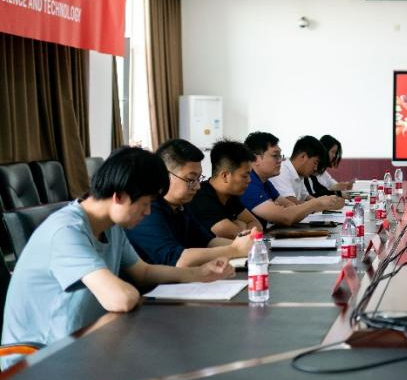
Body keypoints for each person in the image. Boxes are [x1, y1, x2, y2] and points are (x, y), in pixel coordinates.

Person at [1, 147, 234, 361]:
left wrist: (199, 273)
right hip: (37, 359)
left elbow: (143, 271)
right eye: (145, 203)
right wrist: (132, 292)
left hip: (84, 343)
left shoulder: (111, 226)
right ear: (119, 196)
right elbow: (120, 299)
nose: (148, 212)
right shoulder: (66, 231)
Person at [126, 139, 256, 267]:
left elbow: (208, 242)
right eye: (191, 179)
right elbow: (177, 259)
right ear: (164, 175)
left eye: (199, 179)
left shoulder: (181, 206)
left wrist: (249, 245)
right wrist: (235, 250)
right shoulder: (147, 210)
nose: (198, 186)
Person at [241, 132, 343, 228]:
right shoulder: (249, 184)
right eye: (275, 156)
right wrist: (317, 203)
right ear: (255, 159)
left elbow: (290, 206)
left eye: (280, 156)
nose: (280, 160)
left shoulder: (265, 182)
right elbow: (286, 217)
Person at [191, 140, 263, 238]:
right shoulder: (201, 198)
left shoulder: (230, 195)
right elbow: (235, 236)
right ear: (225, 176)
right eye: (245, 176)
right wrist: (241, 225)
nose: (249, 180)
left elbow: (256, 224)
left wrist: (240, 226)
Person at [271, 135, 339, 201]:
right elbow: (292, 204)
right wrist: (322, 204)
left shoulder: (299, 174)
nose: (315, 168)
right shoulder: (282, 171)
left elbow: (306, 197)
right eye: (315, 163)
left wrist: (325, 203)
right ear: (303, 157)